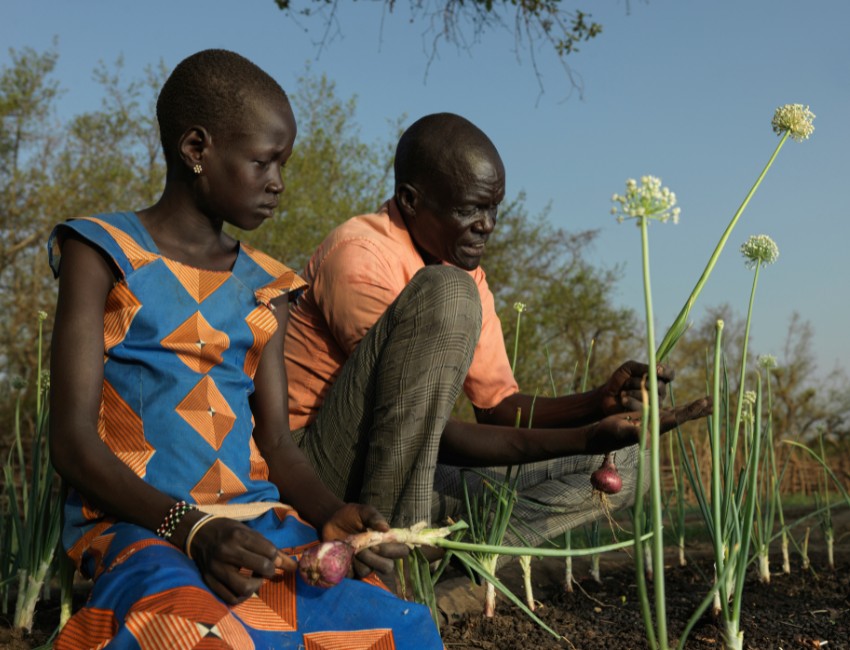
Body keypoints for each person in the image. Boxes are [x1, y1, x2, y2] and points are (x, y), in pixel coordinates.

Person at [47, 49, 442, 649]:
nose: (278, 183)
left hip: (259, 526)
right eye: (263, 162)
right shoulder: (103, 252)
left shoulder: (267, 285)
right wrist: (193, 529)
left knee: (396, 628)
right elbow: (72, 445)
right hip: (142, 526)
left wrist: (330, 511)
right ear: (197, 150)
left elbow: (277, 443)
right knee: (194, 631)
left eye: (282, 163)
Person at [285, 112, 712, 552]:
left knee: (625, 463)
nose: (487, 225)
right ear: (411, 200)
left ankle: (465, 570)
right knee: (449, 292)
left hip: (414, 465)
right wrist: (582, 436)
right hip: (322, 469)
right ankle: (390, 569)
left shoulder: (462, 272)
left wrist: (595, 403)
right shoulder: (362, 256)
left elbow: (497, 408)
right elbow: (408, 424)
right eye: (469, 209)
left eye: (493, 208)